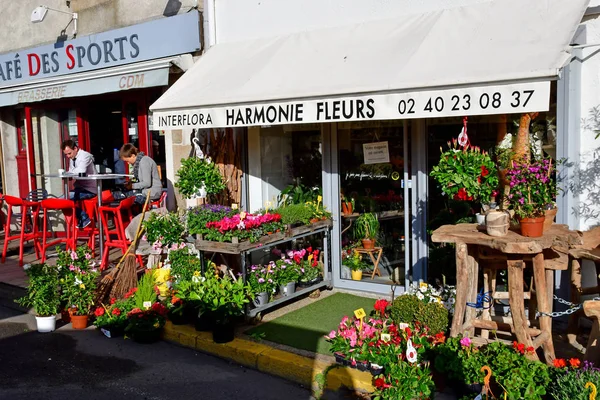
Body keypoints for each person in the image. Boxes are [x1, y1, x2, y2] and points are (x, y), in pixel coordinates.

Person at [61, 140, 98, 228]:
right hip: (80, 188)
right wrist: (68, 174)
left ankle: (84, 217)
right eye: (66, 154)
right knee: (62, 201)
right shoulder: (73, 158)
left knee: (63, 200)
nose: (68, 156)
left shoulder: (85, 156)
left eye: (69, 153)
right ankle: (81, 218)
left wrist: (68, 173)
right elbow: (72, 172)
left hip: (90, 189)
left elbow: (81, 171)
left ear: (75, 148)